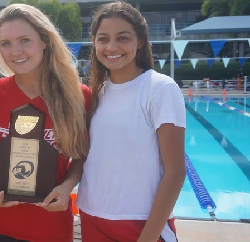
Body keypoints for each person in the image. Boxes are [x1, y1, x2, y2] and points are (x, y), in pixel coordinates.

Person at [0, 4, 90, 242]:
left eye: (24, 40)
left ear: (45, 41)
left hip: (51, 224)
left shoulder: (78, 96)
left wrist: (67, 187)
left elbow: (81, 155)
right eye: (5, 43)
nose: (15, 51)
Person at [76, 2, 186, 242]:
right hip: (91, 215)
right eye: (103, 39)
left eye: (122, 38)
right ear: (94, 42)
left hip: (141, 221)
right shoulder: (97, 92)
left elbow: (176, 171)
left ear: (139, 41)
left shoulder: (160, 88)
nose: (112, 47)